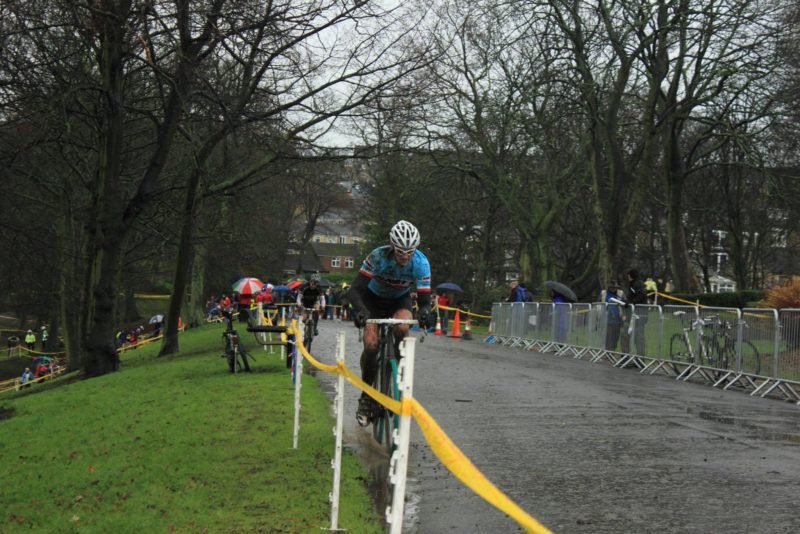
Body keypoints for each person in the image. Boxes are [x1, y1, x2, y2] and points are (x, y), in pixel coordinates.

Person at [346, 220, 432, 426]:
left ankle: (397, 364)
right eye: (401, 252)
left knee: (402, 327)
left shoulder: (420, 263)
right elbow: (355, 290)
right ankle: (366, 396)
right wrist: (362, 311)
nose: (405, 256)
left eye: (410, 251)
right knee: (372, 344)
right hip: (372, 300)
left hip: (398, 300)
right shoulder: (377, 257)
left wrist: (426, 312)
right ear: (392, 246)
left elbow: (424, 301)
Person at [622, 269, 648, 356]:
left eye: (628, 275)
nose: (627, 277)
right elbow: (632, 297)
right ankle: (626, 357)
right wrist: (627, 302)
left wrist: (631, 302)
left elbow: (641, 295)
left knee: (639, 337)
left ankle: (640, 359)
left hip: (640, 315)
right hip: (632, 315)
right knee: (626, 335)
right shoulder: (633, 285)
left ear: (631, 276)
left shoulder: (638, 284)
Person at [601, 281, 625, 351]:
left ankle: (612, 349)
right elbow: (599, 304)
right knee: (607, 336)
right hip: (606, 318)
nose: (613, 289)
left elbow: (625, 303)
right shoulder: (603, 293)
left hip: (618, 319)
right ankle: (608, 351)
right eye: (612, 287)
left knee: (615, 336)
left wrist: (624, 315)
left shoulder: (620, 293)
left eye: (615, 288)